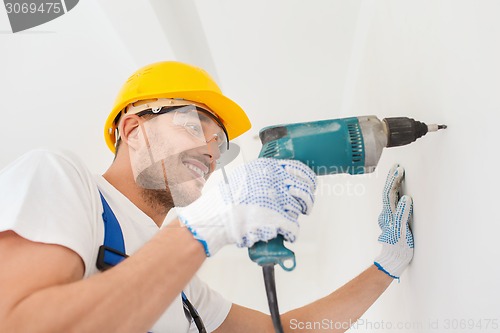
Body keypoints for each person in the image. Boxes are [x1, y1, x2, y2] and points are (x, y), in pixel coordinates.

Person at [0, 61, 414, 332]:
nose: (213, 154)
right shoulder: (61, 178)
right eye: (195, 127)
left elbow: (284, 329)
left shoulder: (182, 289)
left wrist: (386, 265)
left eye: (221, 144)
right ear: (132, 130)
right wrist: (201, 230)